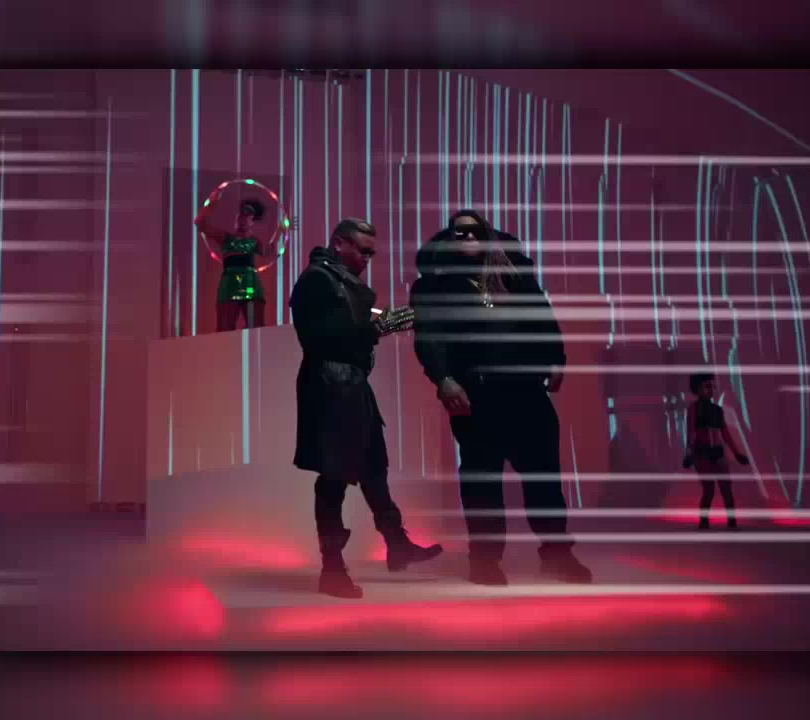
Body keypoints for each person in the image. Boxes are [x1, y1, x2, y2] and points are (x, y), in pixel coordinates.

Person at [409, 210, 591, 586]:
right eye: (459, 232)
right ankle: (485, 560)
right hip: (476, 393)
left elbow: (543, 318)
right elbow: (429, 336)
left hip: (526, 390)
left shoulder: (515, 274)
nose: (467, 237)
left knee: (544, 478)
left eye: (475, 231)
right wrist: (444, 379)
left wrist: (556, 358)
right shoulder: (434, 285)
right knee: (482, 480)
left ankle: (557, 554)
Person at [291, 218, 443, 599]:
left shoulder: (336, 279)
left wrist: (385, 322)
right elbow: (321, 337)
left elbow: (349, 325)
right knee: (334, 477)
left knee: (373, 466)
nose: (366, 258)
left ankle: (397, 544)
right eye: (362, 250)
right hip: (330, 386)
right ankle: (332, 569)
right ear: (339, 243)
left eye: (371, 253)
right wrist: (379, 328)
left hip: (350, 384)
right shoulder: (317, 280)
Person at [196, 198, 279, 332]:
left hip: (250, 285)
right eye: (241, 214)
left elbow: (270, 251)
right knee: (225, 328)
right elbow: (201, 224)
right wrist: (212, 203)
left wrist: (281, 230)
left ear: (252, 221)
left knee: (255, 327)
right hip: (230, 285)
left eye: (248, 215)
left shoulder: (254, 242)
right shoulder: (226, 238)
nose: (243, 218)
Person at [682, 373, 749, 530]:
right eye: (707, 386)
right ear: (698, 389)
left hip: (717, 452)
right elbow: (690, 433)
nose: (711, 389)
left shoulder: (717, 410)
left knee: (726, 488)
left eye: (712, 386)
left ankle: (731, 521)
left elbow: (725, 433)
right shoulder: (693, 409)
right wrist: (689, 453)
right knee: (709, 489)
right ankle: (704, 520)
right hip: (702, 453)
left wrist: (737, 453)